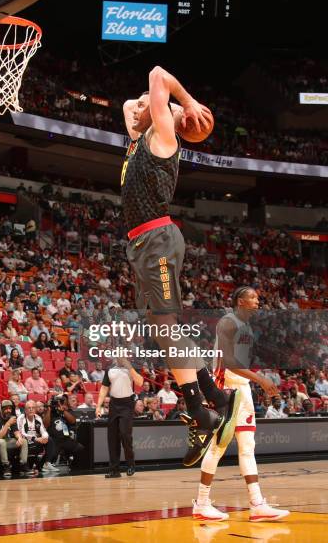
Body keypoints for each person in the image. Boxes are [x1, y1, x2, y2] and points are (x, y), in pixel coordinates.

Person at [121, 67, 239, 467]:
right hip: (141, 245)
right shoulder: (139, 141)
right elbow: (127, 105)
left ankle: (214, 402)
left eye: (147, 103)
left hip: (158, 241)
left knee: (167, 331)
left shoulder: (163, 139)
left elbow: (155, 73)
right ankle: (206, 406)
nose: (139, 104)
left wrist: (183, 104)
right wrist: (148, 105)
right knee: (160, 335)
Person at [194, 286, 289, 522]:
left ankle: (256, 504)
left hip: (242, 389)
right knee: (218, 447)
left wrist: (254, 382)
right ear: (240, 300)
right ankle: (201, 503)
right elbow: (229, 362)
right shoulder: (228, 322)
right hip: (225, 390)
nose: (258, 300)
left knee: (248, 446)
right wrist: (261, 379)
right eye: (253, 297)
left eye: (258, 296)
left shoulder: (247, 327)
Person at [96, 358, 143, 478]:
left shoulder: (131, 368)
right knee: (112, 437)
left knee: (125, 434)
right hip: (114, 404)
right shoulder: (110, 369)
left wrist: (129, 366)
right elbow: (104, 388)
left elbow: (140, 382)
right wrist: (98, 406)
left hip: (127, 404)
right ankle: (114, 470)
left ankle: (131, 465)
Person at [0, 399, 33, 478]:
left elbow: (16, 431)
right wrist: (8, 423)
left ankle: (23, 464)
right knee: (1, 441)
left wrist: (19, 438)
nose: (8, 410)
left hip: (5, 441)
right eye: (6, 409)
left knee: (24, 441)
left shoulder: (11, 417)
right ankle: (6, 466)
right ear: (2, 409)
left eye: (10, 408)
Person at [17, 400, 58, 473]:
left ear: (35, 409)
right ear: (25, 410)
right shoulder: (21, 418)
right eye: (29, 408)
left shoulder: (38, 418)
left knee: (49, 440)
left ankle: (46, 463)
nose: (31, 409)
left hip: (36, 441)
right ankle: (30, 465)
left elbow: (43, 430)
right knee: (25, 441)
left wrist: (44, 437)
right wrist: (35, 438)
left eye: (33, 408)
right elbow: (21, 433)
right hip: (25, 442)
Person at [44, 394, 84, 466]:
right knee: (51, 458)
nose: (59, 403)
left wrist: (63, 411)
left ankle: (72, 463)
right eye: (58, 402)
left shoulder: (66, 411)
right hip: (54, 440)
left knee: (80, 448)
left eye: (61, 401)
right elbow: (45, 425)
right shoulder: (49, 412)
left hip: (65, 438)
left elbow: (73, 421)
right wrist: (49, 409)